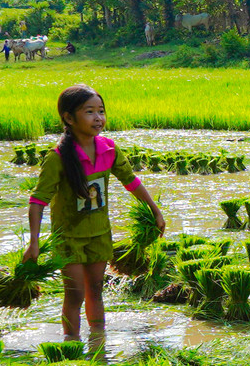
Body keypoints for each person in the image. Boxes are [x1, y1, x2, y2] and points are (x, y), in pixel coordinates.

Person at [26, 84, 165, 340]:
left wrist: (155, 211)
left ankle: (98, 343)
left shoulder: (109, 149)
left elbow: (131, 181)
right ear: (69, 118)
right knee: (75, 294)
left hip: (100, 234)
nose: (98, 118)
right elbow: (38, 201)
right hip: (68, 237)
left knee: (96, 291)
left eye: (101, 111)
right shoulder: (58, 158)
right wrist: (33, 242)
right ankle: (71, 343)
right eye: (89, 112)